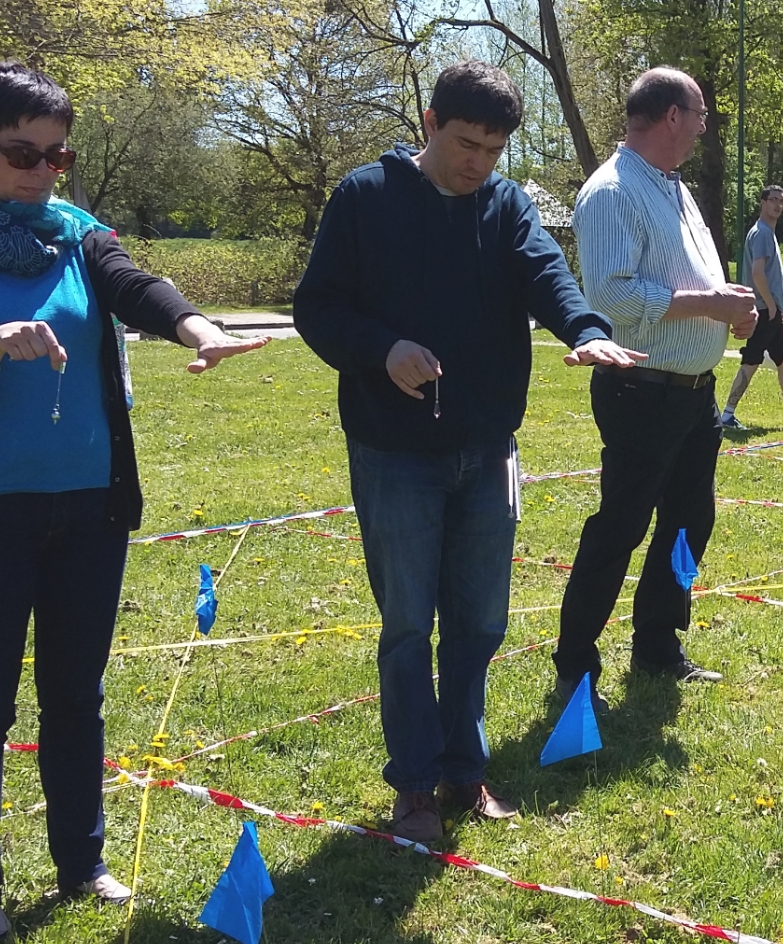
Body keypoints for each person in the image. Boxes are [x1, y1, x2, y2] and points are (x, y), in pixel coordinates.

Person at [294, 60, 639, 843]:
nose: (476, 161)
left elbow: (545, 271)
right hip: (395, 451)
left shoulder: (505, 204)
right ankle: (415, 785)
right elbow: (317, 307)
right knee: (410, 624)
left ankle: (464, 770)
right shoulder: (365, 198)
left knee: (480, 623)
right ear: (428, 121)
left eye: (492, 148)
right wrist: (381, 349)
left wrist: (585, 329)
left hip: (486, 448)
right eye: (463, 142)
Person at [0, 62, 268, 921]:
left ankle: (81, 864)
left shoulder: (79, 233)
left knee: (76, 693)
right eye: (19, 153)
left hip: (89, 506)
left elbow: (132, 287)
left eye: (56, 156)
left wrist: (198, 324)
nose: (41, 172)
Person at [554, 67, 758, 705]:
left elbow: (688, 281)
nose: (702, 126)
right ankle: (575, 663)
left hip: (692, 391)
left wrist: (731, 308)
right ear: (671, 115)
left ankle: (658, 647)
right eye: (697, 113)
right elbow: (608, 296)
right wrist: (711, 306)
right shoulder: (612, 190)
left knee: (688, 521)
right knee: (622, 524)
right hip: (641, 389)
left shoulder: (670, 187)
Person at [720, 186, 783, 431]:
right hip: (765, 311)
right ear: (763, 203)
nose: (778, 205)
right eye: (773, 200)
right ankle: (726, 415)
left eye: (781, 201)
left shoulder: (766, 232)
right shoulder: (762, 234)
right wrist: (769, 304)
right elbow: (757, 273)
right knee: (751, 361)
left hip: (770, 310)